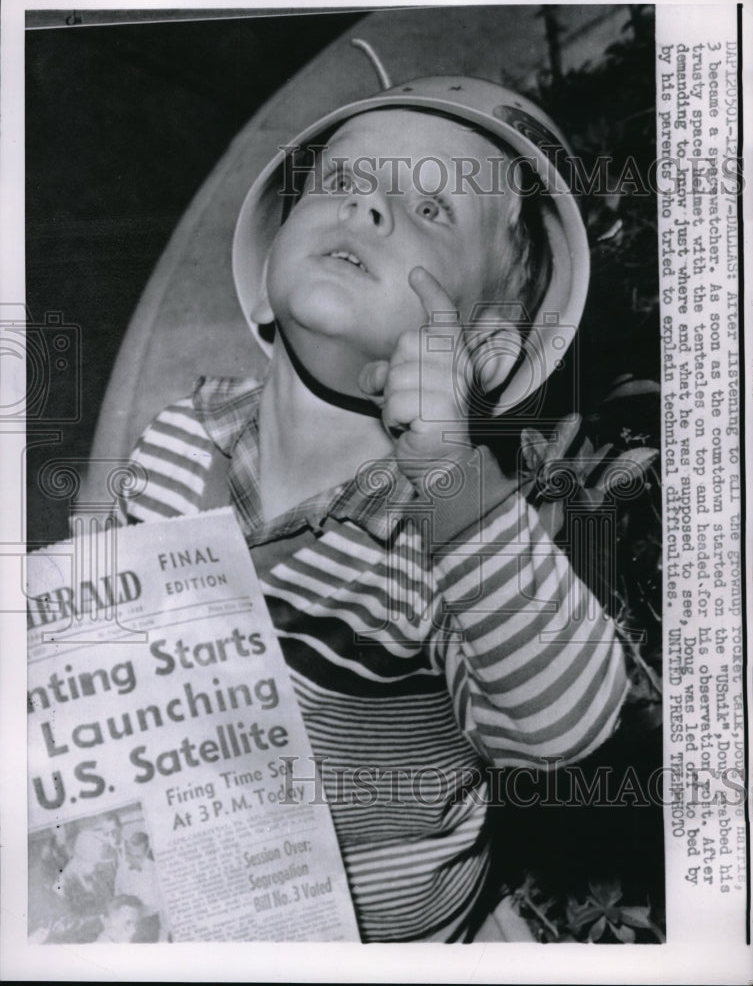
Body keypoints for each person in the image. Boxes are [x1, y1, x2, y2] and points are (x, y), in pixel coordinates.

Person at [118, 73, 628, 942]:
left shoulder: (444, 548)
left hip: (381, 940)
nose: (370, 209)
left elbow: (567, 723)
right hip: (187, 890)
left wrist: (445, 472)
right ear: (276, 243)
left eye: (430, 211)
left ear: (484, 352)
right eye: (343, 183)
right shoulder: (170, 447)